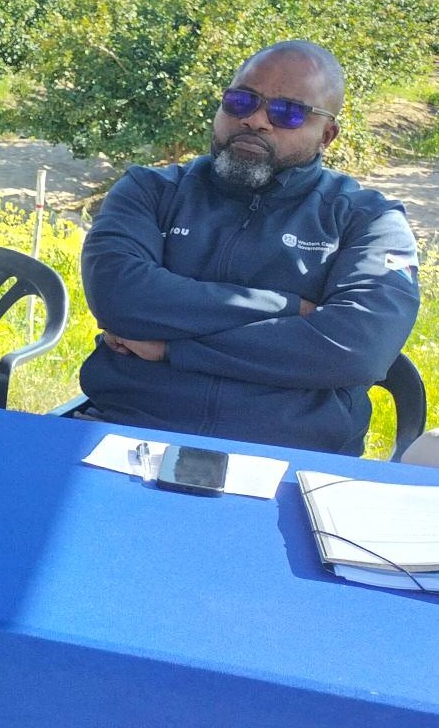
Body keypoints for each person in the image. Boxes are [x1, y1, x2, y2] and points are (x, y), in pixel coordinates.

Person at [80, 41, 419, 455]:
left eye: (288, 112)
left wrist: (172, 349)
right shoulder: (150, 191)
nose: (256, 120)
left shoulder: (368, 220)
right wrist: (292, 308)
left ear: (326, 134)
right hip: (127, 431)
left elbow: (357, 348)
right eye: (241, 101)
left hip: (294, 455)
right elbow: (122, 297)